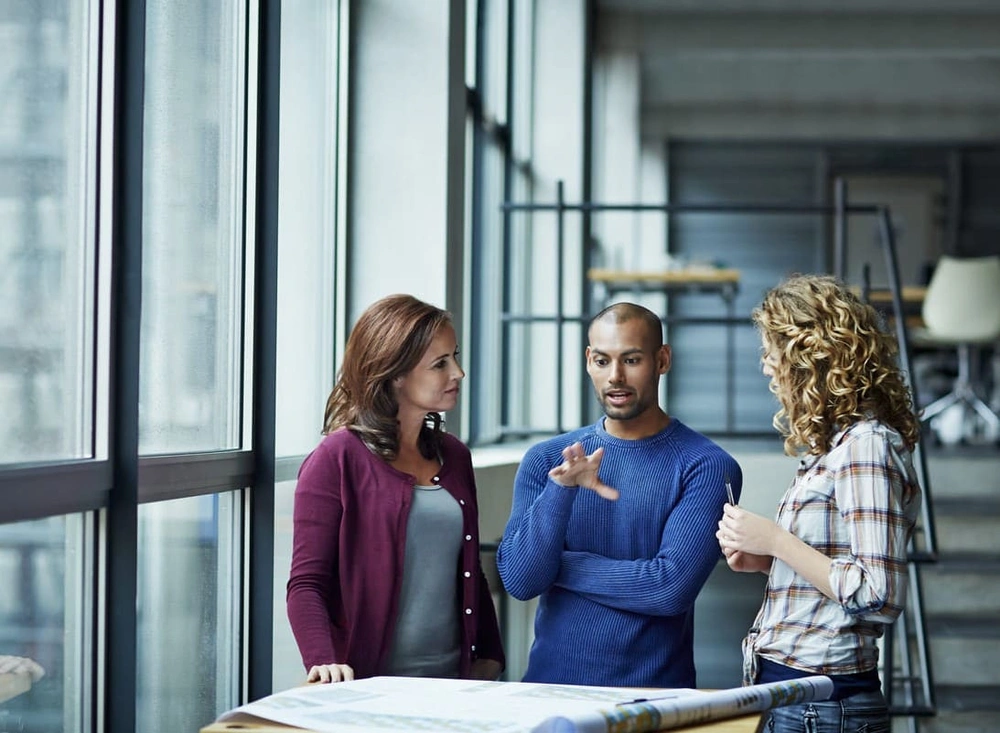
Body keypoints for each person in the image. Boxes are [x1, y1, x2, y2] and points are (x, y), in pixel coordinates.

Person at [496, 302, 743, 688]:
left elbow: (669, 588)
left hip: (656, 702)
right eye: (602, 360)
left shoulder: (707, 466)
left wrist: (559, 567)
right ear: (587, 361)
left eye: (631, 360)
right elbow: (523, 581)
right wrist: (561, 490)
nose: (615, 377)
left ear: (662, 360)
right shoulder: (547, 460)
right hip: (549, 693)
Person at [717, 274, 921, 732]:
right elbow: (837, 573)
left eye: (772, 349)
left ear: (810, 357)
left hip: (825, 708)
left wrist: (776, 540)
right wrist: (767, 561)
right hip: (794, 697)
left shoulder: (866, 446)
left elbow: (878, 596)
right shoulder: (834, 447)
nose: (766, 365)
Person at [286, 294, 505, 684]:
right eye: (440, 364)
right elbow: (307, 583)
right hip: (369, 686)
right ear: (394, 374)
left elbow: (469, 569)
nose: (458, 372)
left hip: (455, 682)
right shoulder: (336, 458)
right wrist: (322, 660)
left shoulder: (454, 455)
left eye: (455, 356)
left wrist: (489, 651)